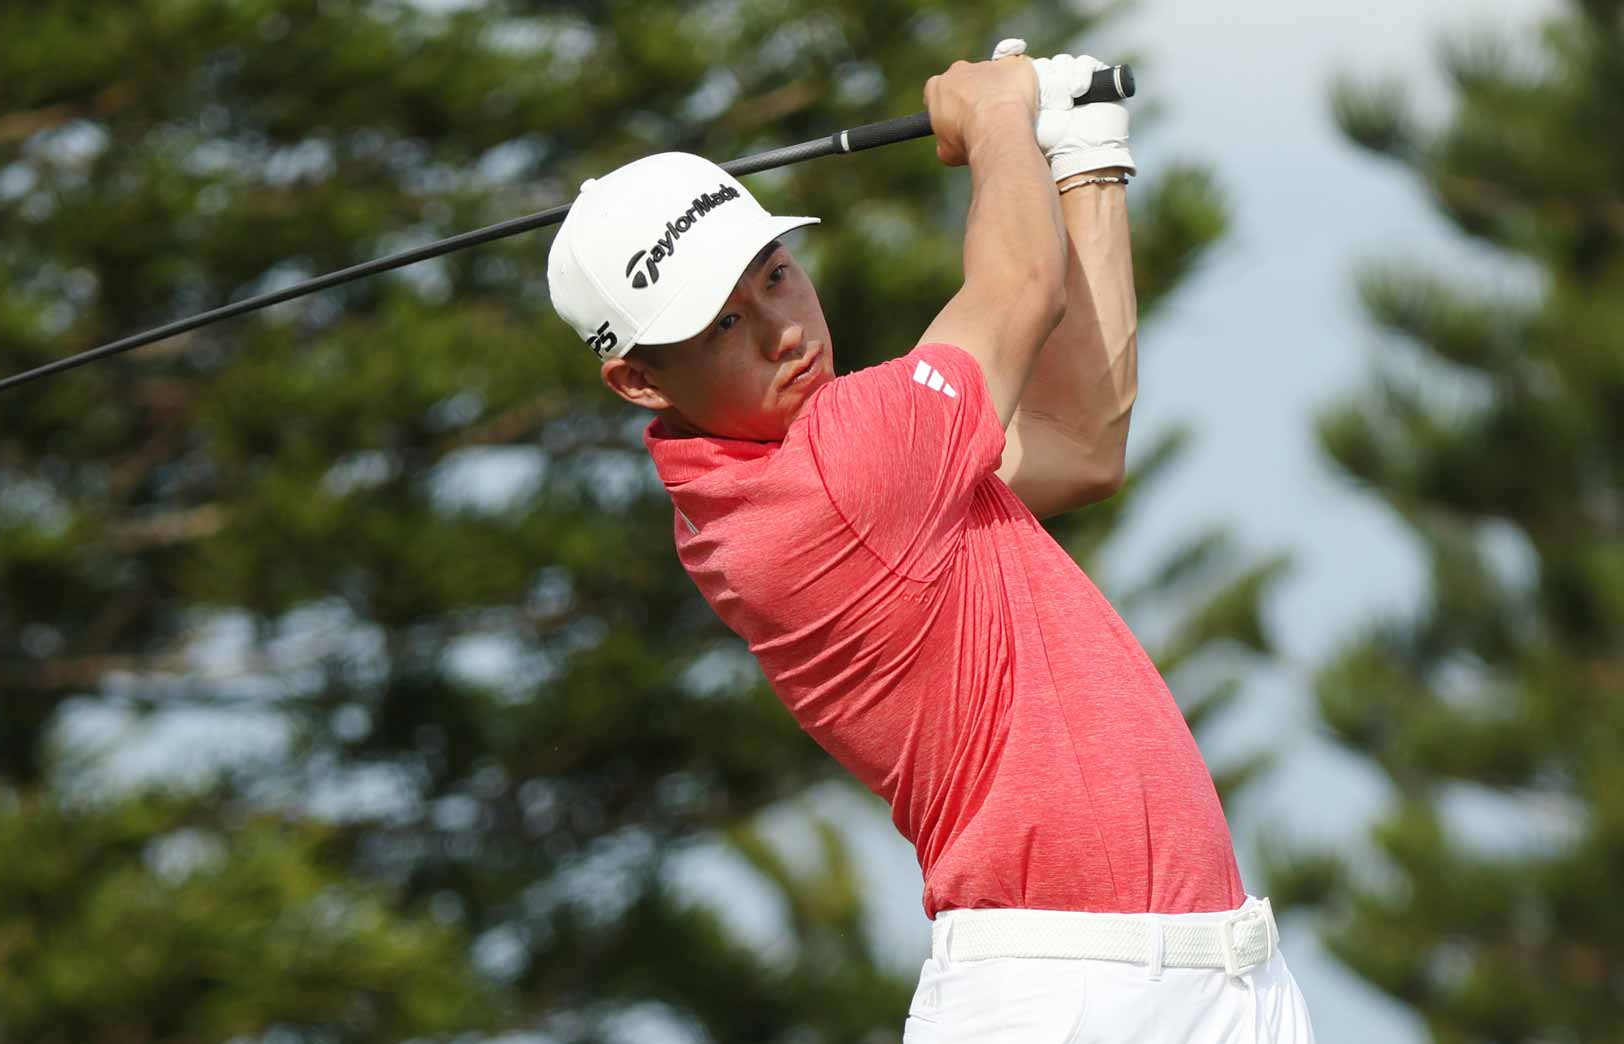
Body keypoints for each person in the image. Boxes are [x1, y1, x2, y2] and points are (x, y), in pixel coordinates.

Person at [547, 40, 1315, 1044]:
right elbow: (1017, 291)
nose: (783, 328)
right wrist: (999, 111)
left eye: (777, 274)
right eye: (721, 322)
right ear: (639, 380)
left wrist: (1082, 158)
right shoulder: (839, 469)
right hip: (1058, 999)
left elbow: (1080, 443)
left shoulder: (783, 493)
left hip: (1220, 978)